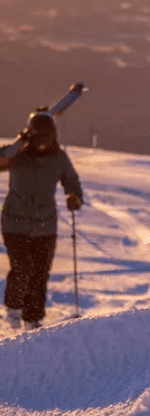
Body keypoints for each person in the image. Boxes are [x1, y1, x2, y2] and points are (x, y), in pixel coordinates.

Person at [1, 111, 83, 329]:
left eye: (48, 136)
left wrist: (73, 195)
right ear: (31, 136)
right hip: (15, 222)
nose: (44, 142)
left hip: (46, 224)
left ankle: (33, 318)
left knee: (40, 272)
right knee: (23, 267)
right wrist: (18, 144)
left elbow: (71, 181)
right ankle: (14, 306)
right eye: (40, 137)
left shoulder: (59, 158)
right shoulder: (18, 154)